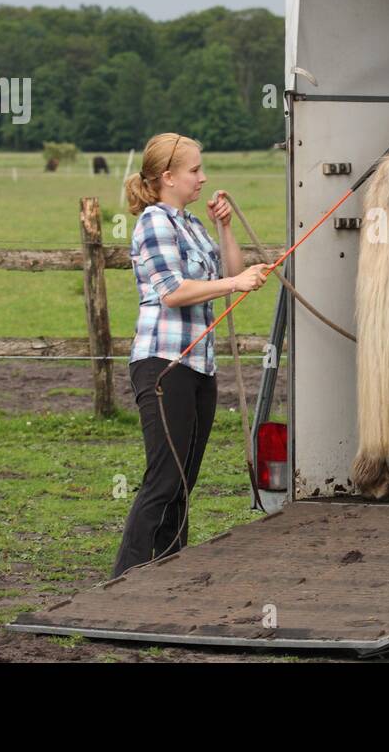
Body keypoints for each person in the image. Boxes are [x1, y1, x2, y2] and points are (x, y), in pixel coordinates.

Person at [110, 132, 269, 578]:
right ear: (168, 177)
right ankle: (127, 578)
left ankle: (166, 575)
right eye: (195, 170)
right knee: (164, 479)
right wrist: (232, 285)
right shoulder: (155, 222)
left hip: (199, 366)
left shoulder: (193, 225)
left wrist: (225, 228)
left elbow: (232, 273)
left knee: (183, 481)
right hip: (165, 364)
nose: (203, 178)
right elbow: (173, 292)